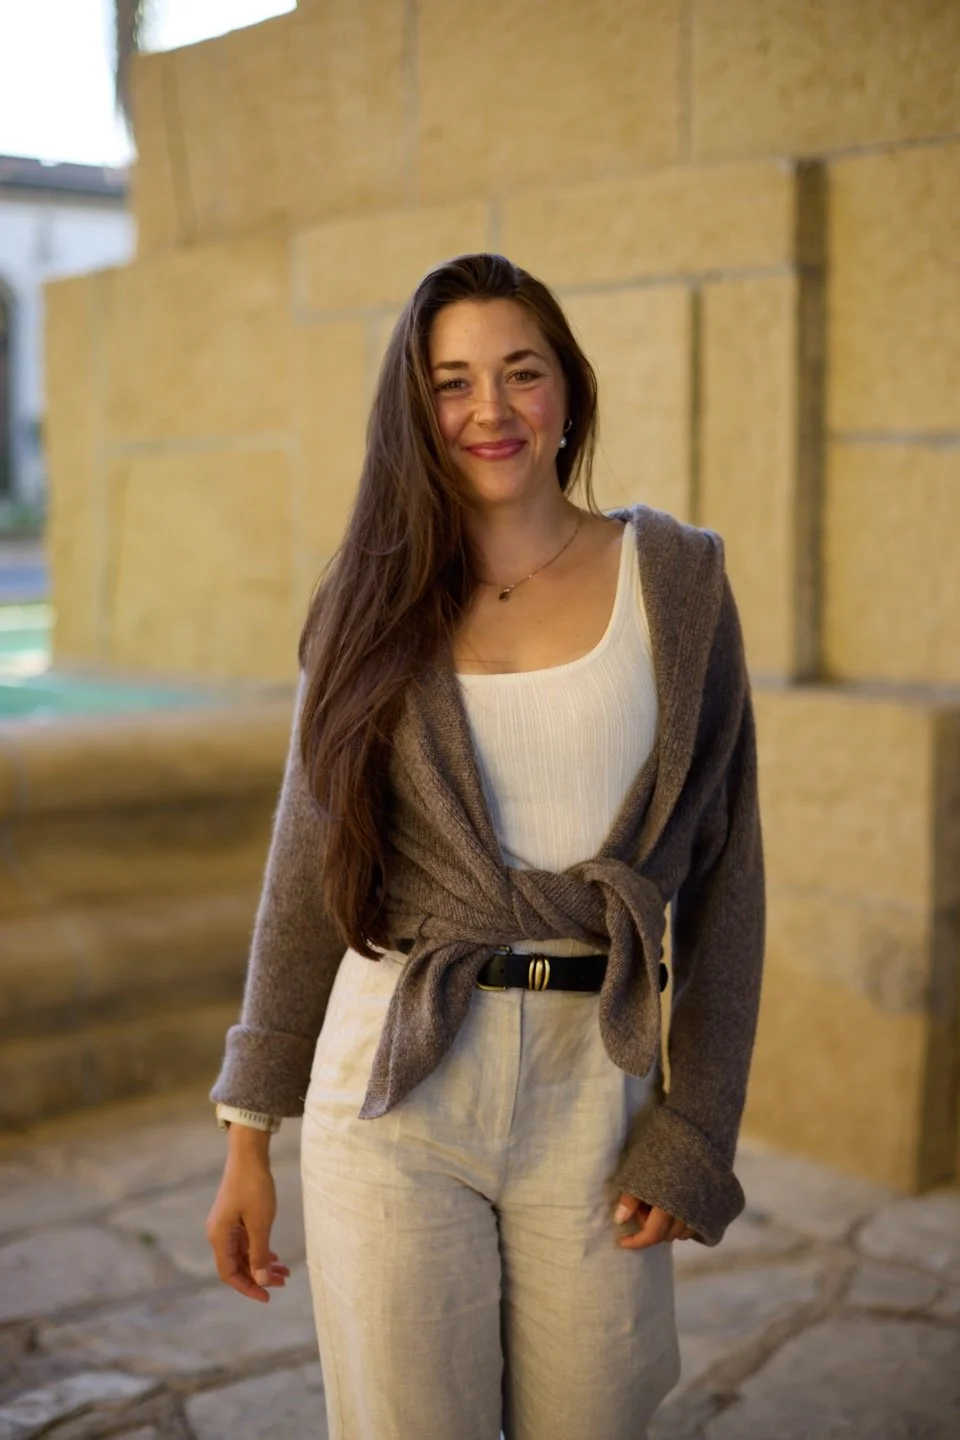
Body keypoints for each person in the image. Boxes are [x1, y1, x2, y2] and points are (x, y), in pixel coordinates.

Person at [205, 252, 766, 1440]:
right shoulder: (367, 597)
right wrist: (248, 1133)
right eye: (453, 382)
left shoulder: (674, 580)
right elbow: (305, 871)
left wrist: (696, 1126)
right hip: (395, 1080)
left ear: (569, 390)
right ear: (417, 408)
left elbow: (727, 872)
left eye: (522, 373)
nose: (490, 410)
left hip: (595, 1086)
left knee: (596, 1419)